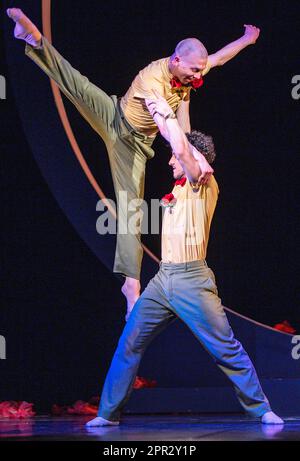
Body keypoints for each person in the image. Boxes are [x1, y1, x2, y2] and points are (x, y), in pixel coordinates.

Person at [7, 8, 261, 320]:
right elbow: (166, 126)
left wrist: (246, 40)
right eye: (193, 69)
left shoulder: (192, 70)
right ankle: (33, 40)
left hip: (135, 147)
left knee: (130, 212)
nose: (197, 75)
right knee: (76, 84)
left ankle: (131, 284)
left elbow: (219, 58)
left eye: (199, 70)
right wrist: (188, 155)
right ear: (176, 61)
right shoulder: (151, 79)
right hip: (114, 118)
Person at [86, 93, 284, 426]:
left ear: (195, 158)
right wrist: (183, 100)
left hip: (193, 280)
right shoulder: (180, 185)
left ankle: (260, 408)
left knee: (225, 347)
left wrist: (163, 113)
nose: (170, 162)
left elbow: (183, 147)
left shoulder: (204, 182)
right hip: (163, 281)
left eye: (177, 158)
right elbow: (184, 140)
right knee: (129, 341)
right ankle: (107, 413)